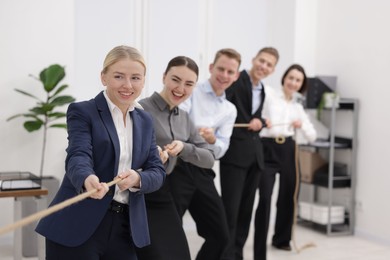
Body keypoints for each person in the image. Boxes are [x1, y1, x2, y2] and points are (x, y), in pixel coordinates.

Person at [35, 45, 166, 260]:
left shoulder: (145, 121)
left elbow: (157, 171)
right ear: (103, 77)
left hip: (126, 228)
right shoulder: (82, 111)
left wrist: (137, 178)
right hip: (79, 223)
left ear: (143, 81)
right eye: (118, 76)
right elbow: (78, 155)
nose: (127, 85)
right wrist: (87, 178)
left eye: (135, 78)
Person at [135, 56, 215, 260]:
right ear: (164, 77)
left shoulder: (185, 119)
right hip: (138, 195)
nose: (181, 88)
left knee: (180, 253)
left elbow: (209, 158)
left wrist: (184, 148)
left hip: (163, 193)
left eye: (189, 84)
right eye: (175, 79)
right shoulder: (141, 110)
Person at [170, 48, 241, 260]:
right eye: (221, 69)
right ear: (211, 68)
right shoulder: (192, 90)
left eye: (230, 72)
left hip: (202, 169)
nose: (224, 75)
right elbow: (178, 122)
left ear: (236, 76)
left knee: (221, 236)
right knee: (170, 233)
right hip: (177, 167)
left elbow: (221, 149)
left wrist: (211, 140)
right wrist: (201, 136)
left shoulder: (229, 110)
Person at [219, 47, 279, 260]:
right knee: (230, 211)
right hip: (234, 157)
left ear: (272, 70)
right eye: (262, 61)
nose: (264, 66)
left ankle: (237, 254)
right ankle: (225, 255)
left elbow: (254, 120)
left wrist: (261, 122)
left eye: (269, 65)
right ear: (254, 59)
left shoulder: (262, 89)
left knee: (245, 212)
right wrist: (256, 122)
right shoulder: (235, 79)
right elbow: (225, 111)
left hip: (255, 158)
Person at [253, 64, 317, 260]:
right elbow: (258, 117)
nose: (293, 82)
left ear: (301, 84)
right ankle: (259, 244)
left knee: (289, 195)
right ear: (284, 78)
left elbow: (312, 136)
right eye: (291, 78)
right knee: (265, 197)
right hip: (267, 147)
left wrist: (301, 125)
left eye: (298, 80)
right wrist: (264, 121)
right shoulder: (270, 96)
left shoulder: (298, 108)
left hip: (289, 149)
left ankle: (282, 240)